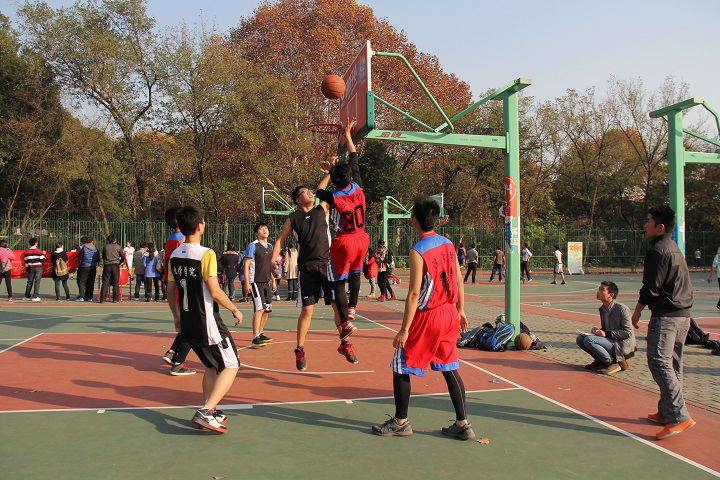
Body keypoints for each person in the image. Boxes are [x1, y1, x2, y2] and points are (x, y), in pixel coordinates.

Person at [372, 196, 474, 440]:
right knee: (450, 367)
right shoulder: (448, 244)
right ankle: (463, 424)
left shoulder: (418, 251)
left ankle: (400, 422)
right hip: (450, 312)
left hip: (430, 315)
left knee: (401, 364)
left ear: (413, 220)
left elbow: (414, 293)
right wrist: (460, 309)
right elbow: (458, 278)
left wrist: (404, 329)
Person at [166, 205, 243, 433]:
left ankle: (211, 409)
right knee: (231, 364)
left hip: (188, 321)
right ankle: (206, 411)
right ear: (200, 225)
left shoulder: (174, 255)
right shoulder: (205, 254)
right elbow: (215, 291)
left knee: (211, 366)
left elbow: (170, 291)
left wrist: (176, 317)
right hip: (207, 321)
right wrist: (234, 309)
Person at [271, 184, 358, 371]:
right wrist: (272, 260)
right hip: (307, 269)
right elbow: (280, 240)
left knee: (337, 306)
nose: (310, 193)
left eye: (310, 191)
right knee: (307, 311)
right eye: (305, 192)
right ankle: (300, 350)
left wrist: (330, 172)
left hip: (328, 265)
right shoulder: (293, 218)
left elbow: (321, 189)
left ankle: (345, 344)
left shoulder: (322, 209)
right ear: (298, 200)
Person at [630, 205, 695, 440]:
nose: (645, 225)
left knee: (659, 362)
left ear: (660, 227)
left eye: (648, 221)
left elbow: (651, 289)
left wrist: (637, 312)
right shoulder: (674, 248)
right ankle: (667, 411)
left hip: (667, 317)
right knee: (672, 365)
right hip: (682, 316)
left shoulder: (658, 251)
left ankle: (679, 416)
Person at [314, 119, 370, 323]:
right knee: (355, 274)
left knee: (338, 281)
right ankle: (353, 307)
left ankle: (345, 320)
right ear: (349, 176)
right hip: (362, 238)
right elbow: (354, 157)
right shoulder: (358, 187)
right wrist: (348, 135)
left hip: (345, 240)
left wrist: (329, 173)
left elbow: (319, 191)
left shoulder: (334, 196)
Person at [161, 207, 196, 376]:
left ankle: (173, 352)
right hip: (182, 286)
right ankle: (178, 361)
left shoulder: (171, 239)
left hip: (175, 284)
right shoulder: (181, 240)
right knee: (193, 326)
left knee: (188, 324)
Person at [576, 281, 636, 375]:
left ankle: (613, 362)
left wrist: (605, 334)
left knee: (589, 340)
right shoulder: (603, 309)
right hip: (611, 340)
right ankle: (600, 361)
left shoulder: (622, 309)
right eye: (599, 289)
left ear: (611, 295)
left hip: (621, 344)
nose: (598, 292)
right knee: (580, 339)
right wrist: (598, 331)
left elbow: (628, 332)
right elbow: (606, 329)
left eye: (602, 290)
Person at [243, 224, 276, 348]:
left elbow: (270, 266)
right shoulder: (253, 246)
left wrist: (273, 280)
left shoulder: (271, 246)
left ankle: (261, 333)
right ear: (256, 233)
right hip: (256, 282)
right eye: (261, 229)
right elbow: (246, 265)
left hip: (267, 281)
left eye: (266, 228)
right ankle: (255, 337)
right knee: (259, 308)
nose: (265, 230)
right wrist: (247, 282)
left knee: (266, 310)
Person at [99, 234, 123, 303]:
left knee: (105, 282)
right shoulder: (118, 247)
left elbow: (103, 256)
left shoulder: (105, 247)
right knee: (116, 282)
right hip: (115, 265)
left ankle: (102, 299)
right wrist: (119, 262)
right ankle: (115, 299)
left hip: (107, 265)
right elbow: (122, 257)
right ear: (115, 240)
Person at [76, 236, 99, 302]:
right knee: (91, 282)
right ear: (92, 242)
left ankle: (81, 296)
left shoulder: (84, 248)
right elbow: (98, 259)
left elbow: (80, 258)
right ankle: (89, 297)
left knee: (81, 282)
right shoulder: (96, 249)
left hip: (84, 267)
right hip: (93, 267)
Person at [23, 237, 45, 302]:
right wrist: (44, 254)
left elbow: (26, 261)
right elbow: (43, 260)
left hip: (30, 267)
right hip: (38, 267)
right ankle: (35, 296)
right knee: (37, 282)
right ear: (35, 243)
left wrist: (27, 269)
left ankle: (27, 296)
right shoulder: (39, 251)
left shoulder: (26, 252)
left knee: (29, 281)